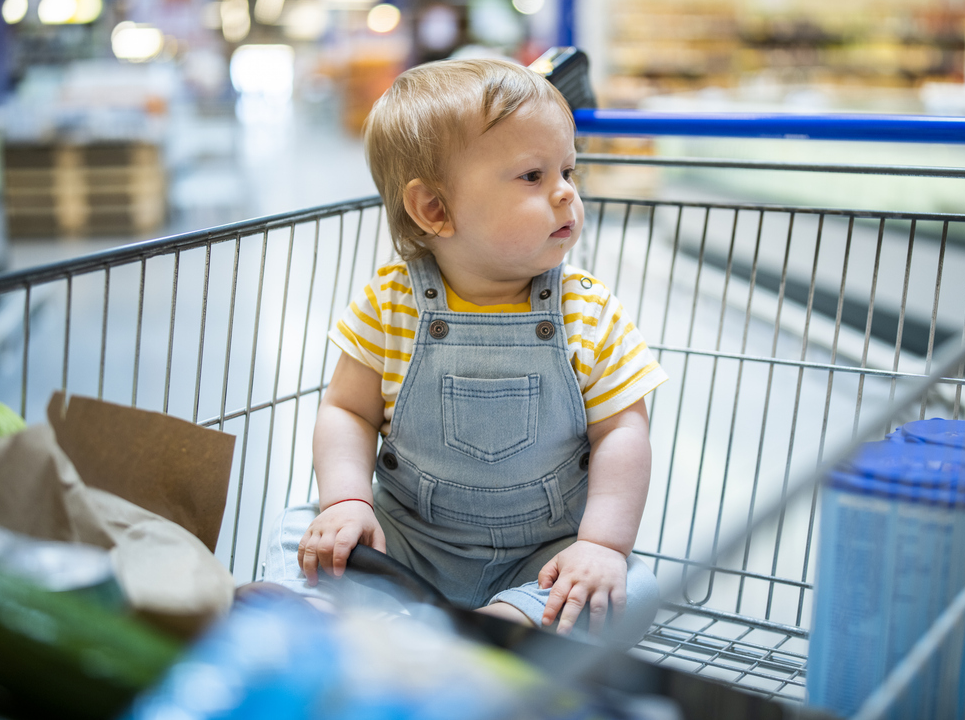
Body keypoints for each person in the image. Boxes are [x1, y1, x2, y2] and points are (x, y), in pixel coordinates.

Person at [263, 58, 667, 641]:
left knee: (632, 585)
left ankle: (479, 628)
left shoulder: (587, 311)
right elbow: (346, 410)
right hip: (407, 543)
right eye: (533, 176)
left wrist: (601, 546)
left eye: (569, 172)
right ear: (434, 210)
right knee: (298, 526)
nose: (565, 194)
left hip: (544, 556)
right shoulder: (391, 302)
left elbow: (623, 433)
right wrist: (346, 502)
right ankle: (404, 629)